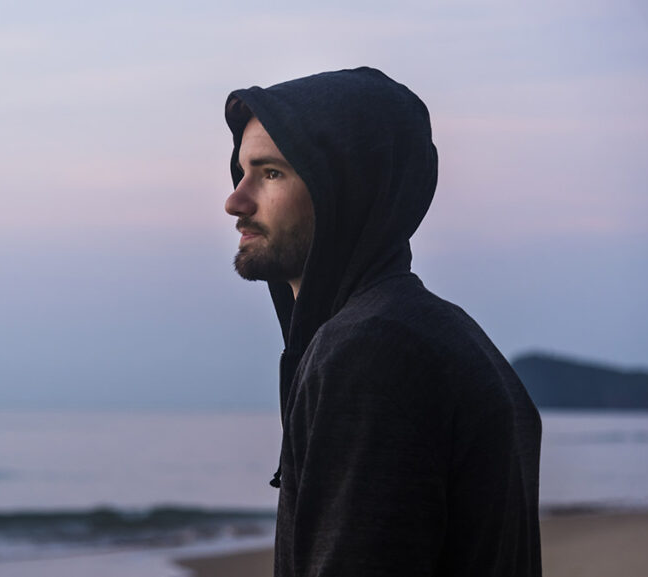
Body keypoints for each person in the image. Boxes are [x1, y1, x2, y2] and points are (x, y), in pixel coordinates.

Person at [223, 68, 542, 576]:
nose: (235, 201)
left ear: (344, 188)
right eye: (240, 172)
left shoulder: (373, 352)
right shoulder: (443, 335)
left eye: (272, 173)